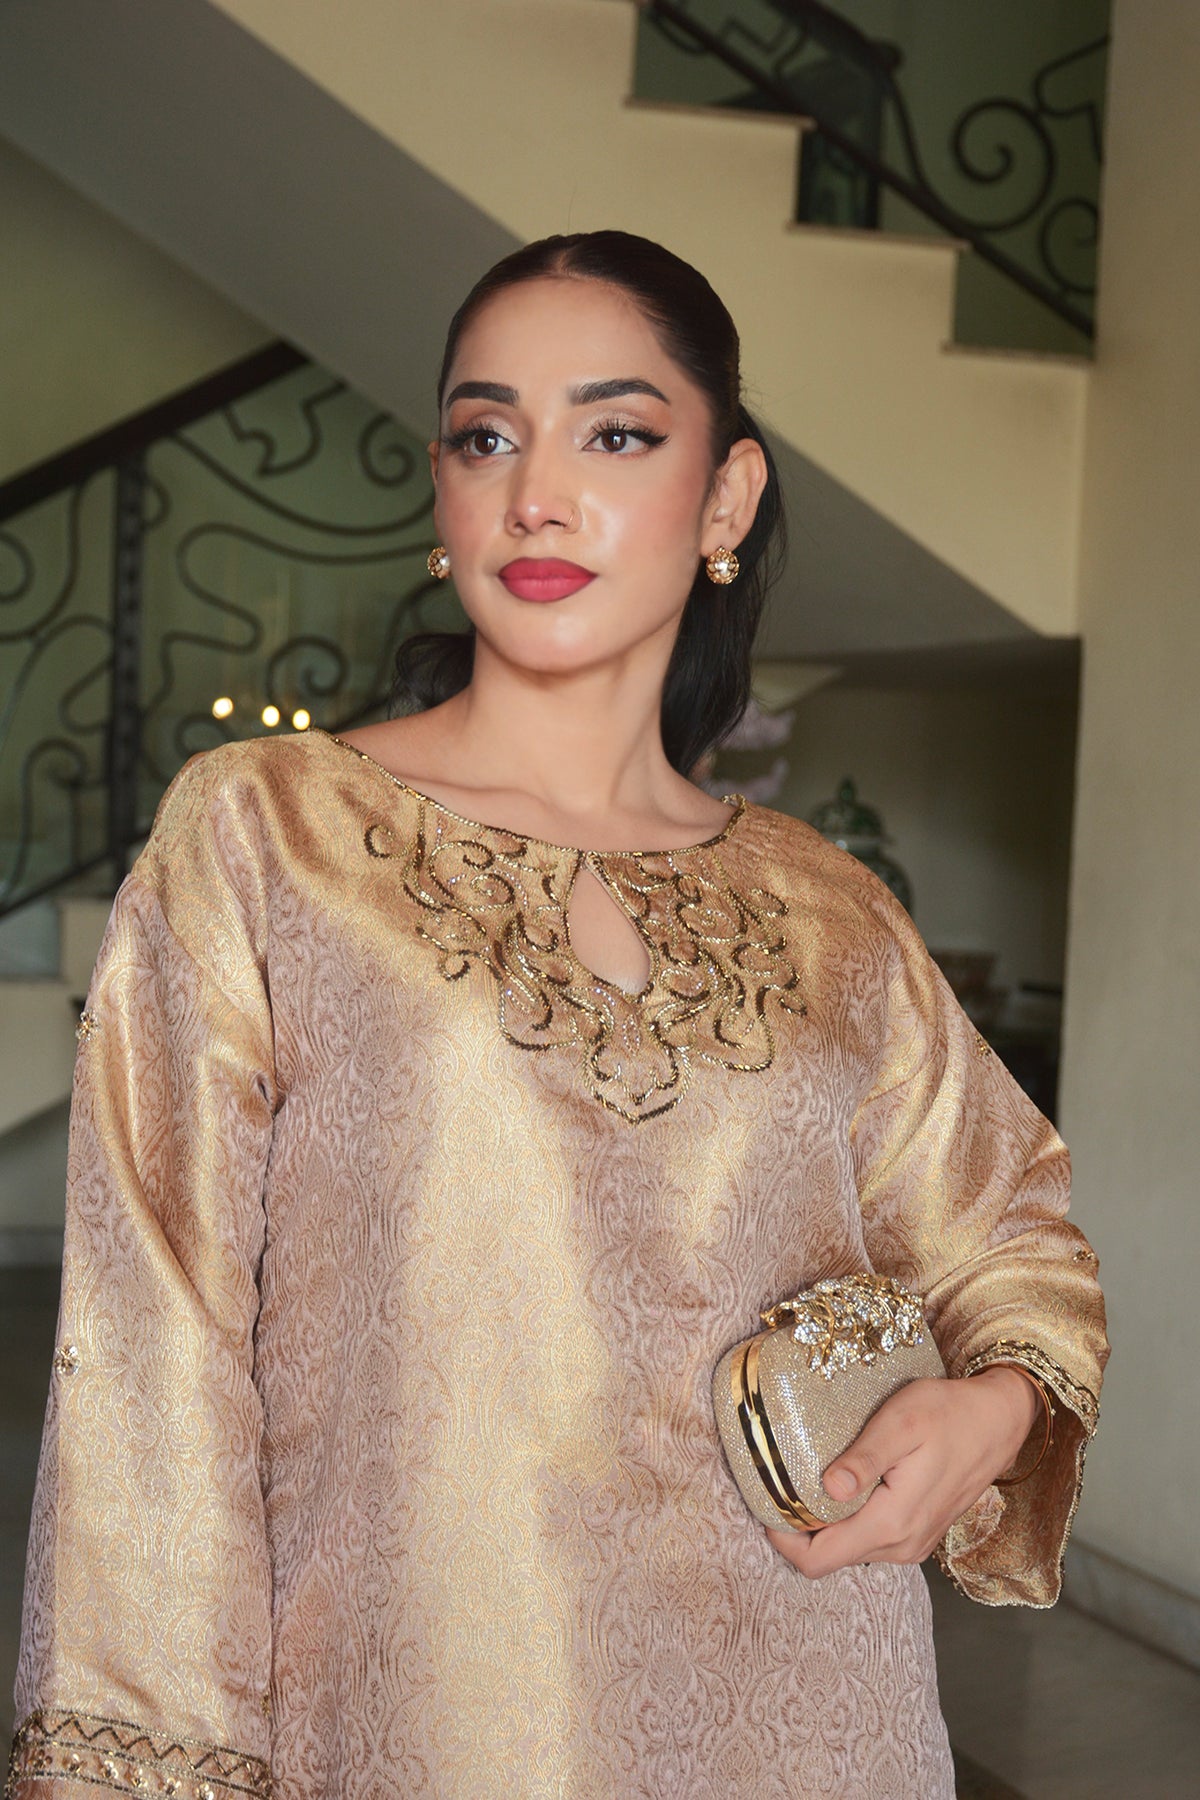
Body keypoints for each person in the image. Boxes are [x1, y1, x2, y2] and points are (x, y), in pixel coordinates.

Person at [9, 231, 1107, 1800]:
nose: (535, 493)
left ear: (725, 498)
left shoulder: (833, 913)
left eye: (616, 434)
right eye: (485, 437)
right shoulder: (271, 837)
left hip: (821, 1724)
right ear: (443, 491)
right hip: (428, 1730)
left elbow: (1014, 1237)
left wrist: (993, 1410)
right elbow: (149, 1360)